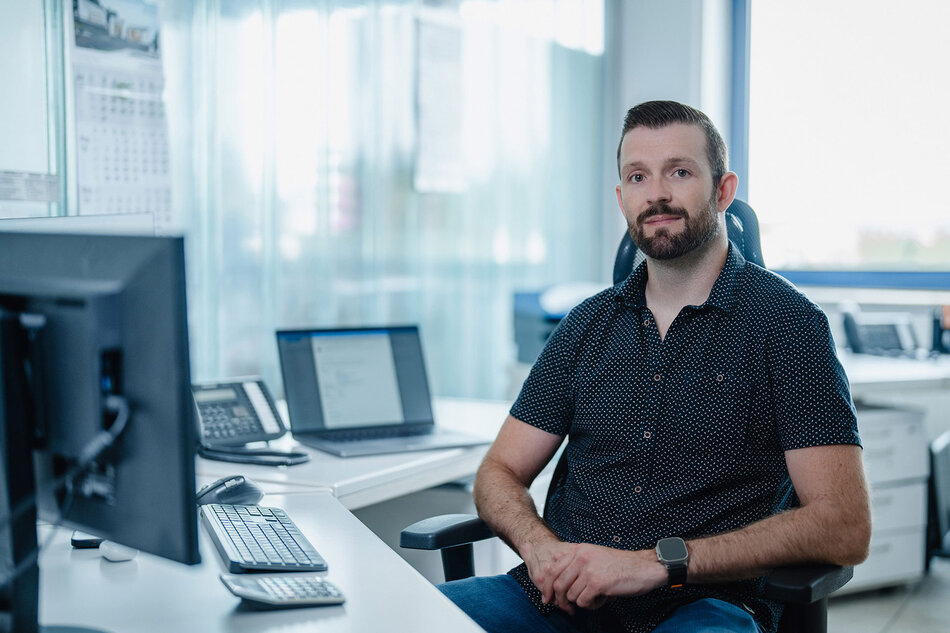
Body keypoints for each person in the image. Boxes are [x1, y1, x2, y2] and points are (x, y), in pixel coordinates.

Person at [439, 100, 872, 633]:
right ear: (623, 199)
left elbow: (844, 524)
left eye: (680, 172)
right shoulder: (586, 326)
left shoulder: (788, 326)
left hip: (703, 606)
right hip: (558, 599)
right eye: (638, 176)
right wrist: (540, 549)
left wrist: (655, 564)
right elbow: (498, 472)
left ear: (723, 191)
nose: (658, 193)